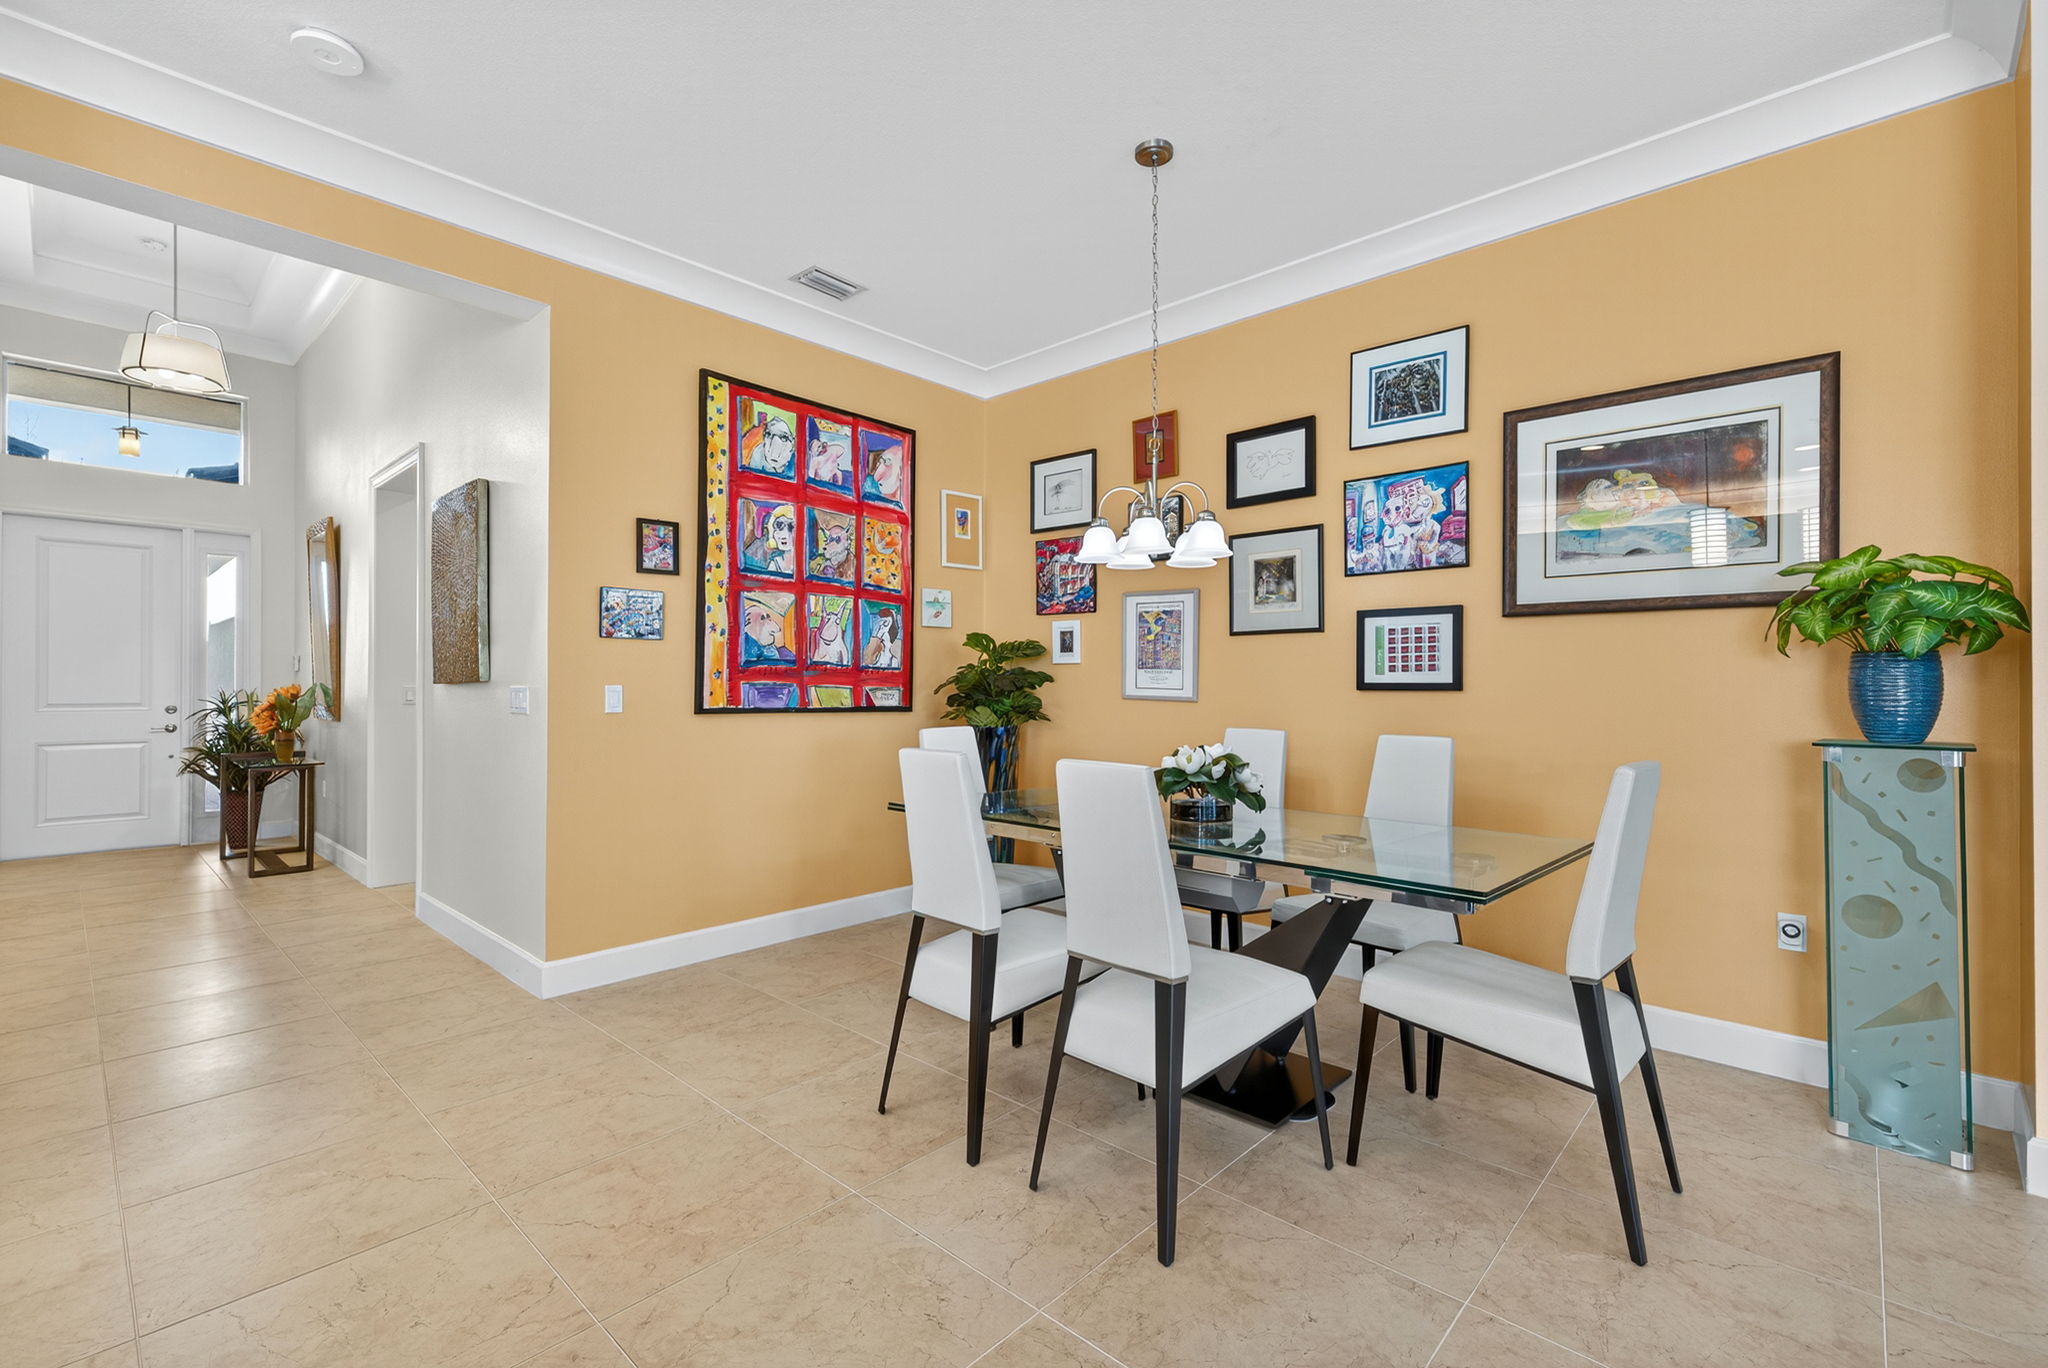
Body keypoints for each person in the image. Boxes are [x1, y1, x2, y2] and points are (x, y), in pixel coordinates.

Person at [743, 503, 796, 575]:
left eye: (791, 527)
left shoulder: (807, 565)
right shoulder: (775, 562)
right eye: (779, 527)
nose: (784, 535)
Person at [741, 411, 796, 477]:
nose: (773, 453)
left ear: (793, 444)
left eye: (784, 438)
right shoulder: (758, 453)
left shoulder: (797, 465)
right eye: (768, 434)